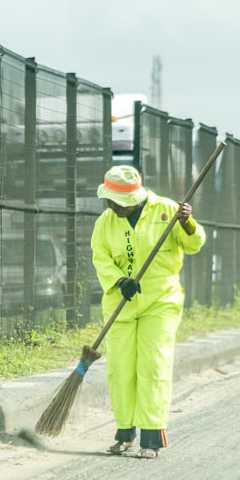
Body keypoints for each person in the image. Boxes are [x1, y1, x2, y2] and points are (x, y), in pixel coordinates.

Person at [91, 165, 205, 459]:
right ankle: (125, 432)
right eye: (108, 200)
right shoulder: (105, 222)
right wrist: (119, 280)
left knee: (153, 365)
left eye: (115, 201)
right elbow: (100, 257)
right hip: (121, 303)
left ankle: (151, 436)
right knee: (120, 369)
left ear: (131, 199)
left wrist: (187, 222)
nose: (110, 206)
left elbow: (194, 244)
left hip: (161, 302)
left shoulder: (167, 210)